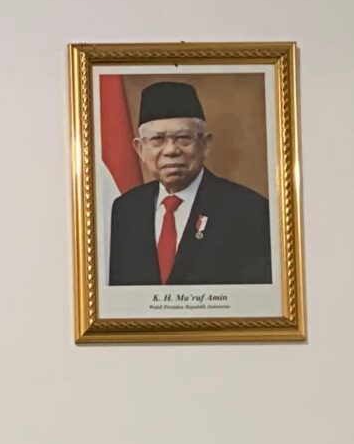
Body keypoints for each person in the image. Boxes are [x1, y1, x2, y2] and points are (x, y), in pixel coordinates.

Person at [105, 79, 273, 288]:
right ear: (140, 149)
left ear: (205, 145)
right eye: (157, 139)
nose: (171, 150)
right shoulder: (125, 210)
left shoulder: (249, 211)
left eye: (183, 138)